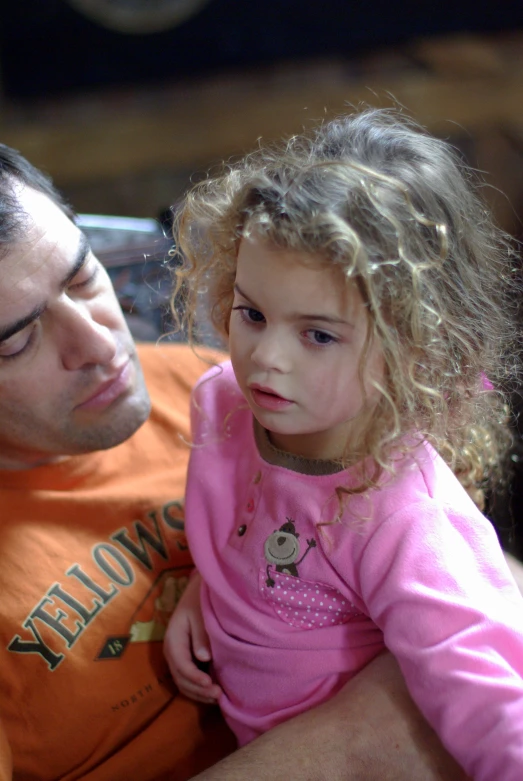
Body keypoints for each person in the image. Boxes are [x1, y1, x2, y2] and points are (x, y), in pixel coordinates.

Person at [0, 140, 473, 781]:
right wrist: (362, 732)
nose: (100, 343)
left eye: (83, 276)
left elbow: (473, 571)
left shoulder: (230, 392)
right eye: (19, 341)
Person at [165, 109, 523, 781]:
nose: (264, 358)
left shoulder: (405, 518)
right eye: (252, 313)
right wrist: (202, 591)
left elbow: (489, 699)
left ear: (411, 347)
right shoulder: (221, 401)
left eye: (317, 334)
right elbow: (245, 531)